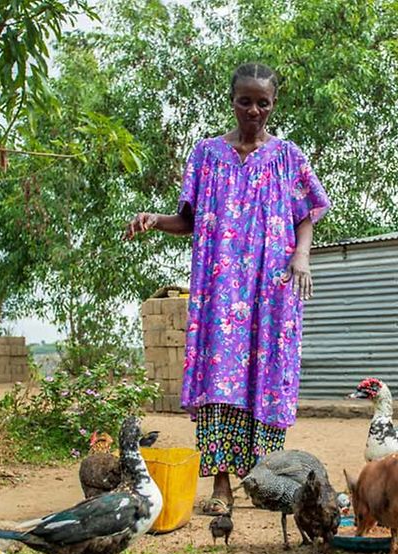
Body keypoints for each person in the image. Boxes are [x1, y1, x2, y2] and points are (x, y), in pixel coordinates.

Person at [124, 62, 330, 515]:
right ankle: (220, 486)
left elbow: (307, 215)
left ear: (274, 105)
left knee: (266, 375)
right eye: (245, 101)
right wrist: (154, 220)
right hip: (219, 287)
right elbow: (189, 220)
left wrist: (301, 255)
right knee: (221, 378)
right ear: (232, 100)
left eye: (263, 102)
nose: (253, 110)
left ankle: (263, 480)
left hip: (272, 283)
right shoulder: (205, 155)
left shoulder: (288, 157)